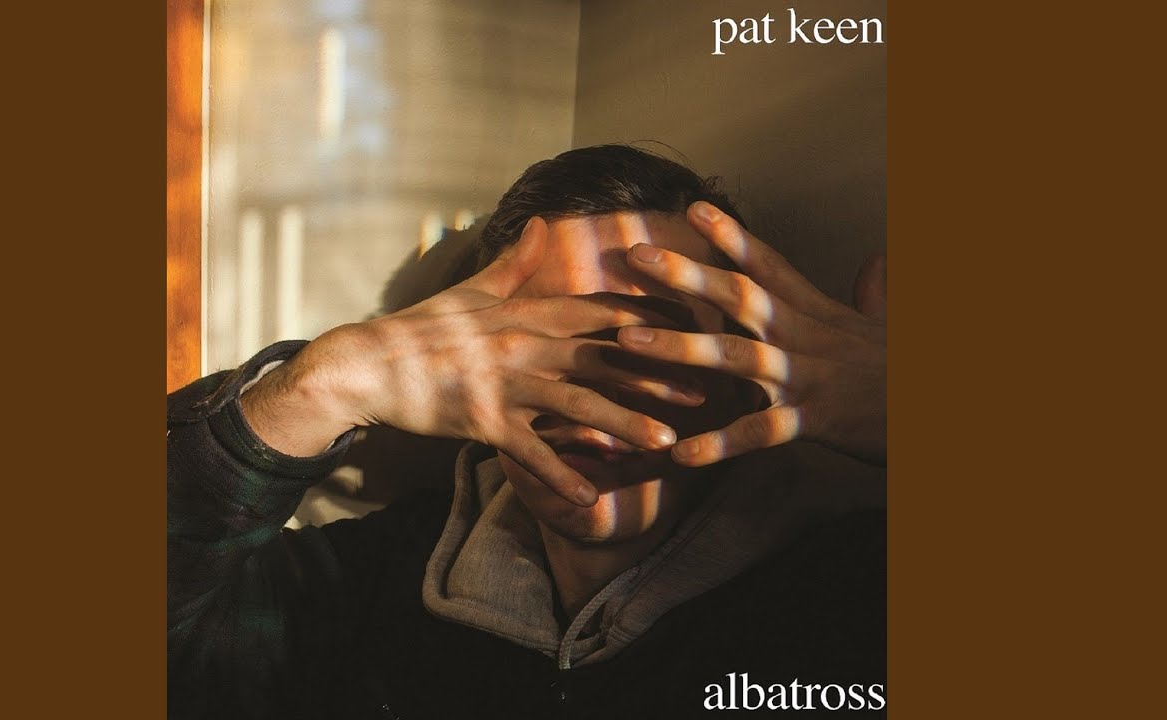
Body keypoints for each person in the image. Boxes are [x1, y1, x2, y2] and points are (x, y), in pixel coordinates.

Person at [168, 145, 888, 719]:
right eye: (542, 338)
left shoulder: (855, 596)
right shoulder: (372, 582)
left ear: (745, 374)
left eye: (656, 342)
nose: (591, 393)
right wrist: (310, 390)